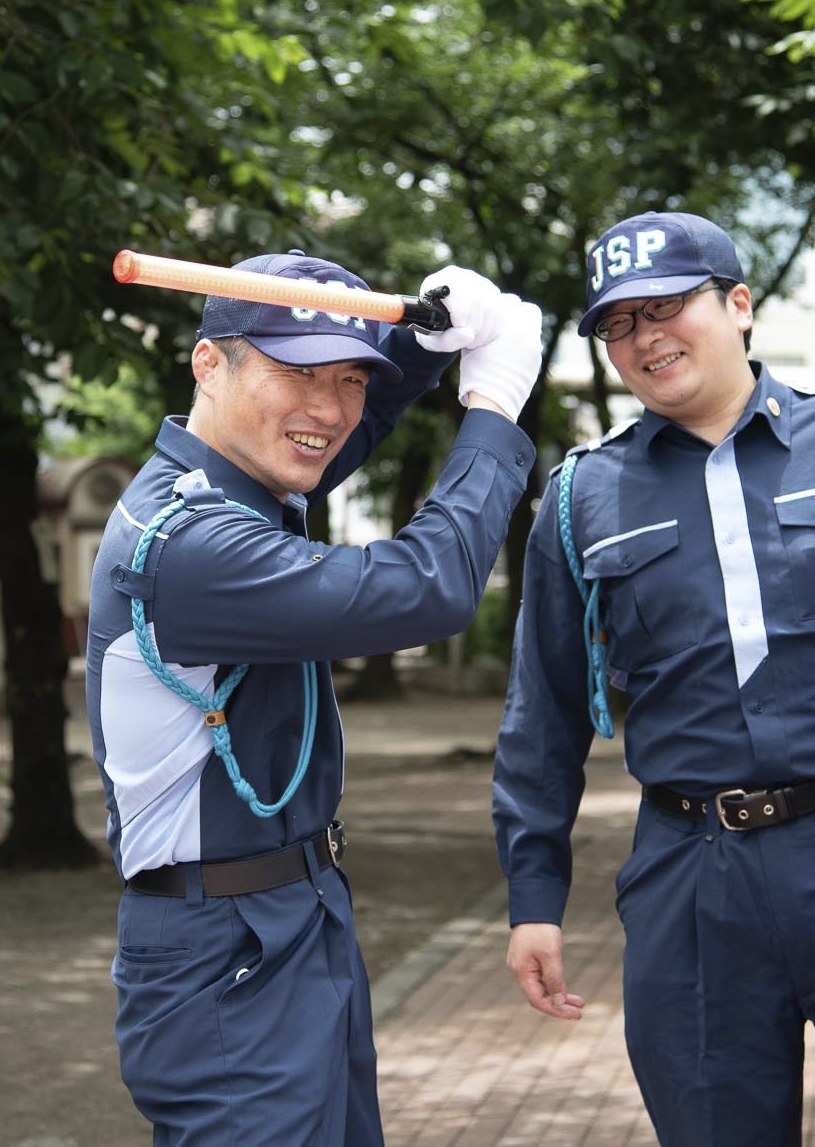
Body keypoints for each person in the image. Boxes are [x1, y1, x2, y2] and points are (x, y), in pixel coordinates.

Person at [493, 213, 815, 1145]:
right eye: (619, 324)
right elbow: (543, 713)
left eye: (668, 307)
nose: (645, 337)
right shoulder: (580, 494)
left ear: (741, 305)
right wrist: (533, 898)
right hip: (693, 882)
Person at [85, 249, 544, 1144]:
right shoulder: (188, 540)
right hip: (225, 948)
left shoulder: (238, 490)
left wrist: (423, 347)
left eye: (348, 379)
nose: (329, 409)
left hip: (287, 916)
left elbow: (322, 442)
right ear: (208, 364)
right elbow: (427, 589)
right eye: (297, 372)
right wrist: (490, 407)